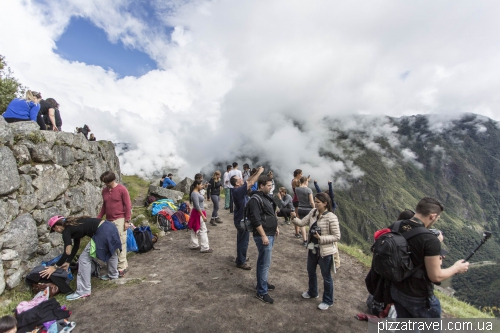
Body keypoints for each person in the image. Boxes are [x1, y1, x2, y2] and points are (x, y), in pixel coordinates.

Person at [389, 197, 469, 318]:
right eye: (437, 218)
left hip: (395, 289)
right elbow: (435, 276)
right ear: (432, 216)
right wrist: (457, 268)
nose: (436, 220)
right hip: (417, 296)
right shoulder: (430, 240)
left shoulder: (395, 225)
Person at [41, 215, 122, 300]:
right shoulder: (75, 224)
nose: (56, 232)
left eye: (54, 230)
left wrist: (55, 267)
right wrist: (68, 262)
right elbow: (76, 246)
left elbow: (67, 252)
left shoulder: (66, 231)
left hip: (102, 231)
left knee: (83, 259)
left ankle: (83, 290)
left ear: (56, 227)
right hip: (110, 226)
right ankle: (113, 275)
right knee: (111, 251)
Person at [291, 192, 341, 310]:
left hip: (326, 252)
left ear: (325, 203)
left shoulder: (331, 217)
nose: (315, 204)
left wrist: (321, 238)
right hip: (313, 248)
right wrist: (293, 218)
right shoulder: (313, 212)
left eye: (318, 202)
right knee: (311, 271)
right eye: (315, 201)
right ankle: (313, 292)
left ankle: (328, 301)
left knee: (326, 276)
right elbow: (302, 222)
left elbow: (337, 236)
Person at [247, 175, 279, 304]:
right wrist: (263, 235)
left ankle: (262, 283)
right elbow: (256, 219)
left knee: (264, 262)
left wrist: (276, 227)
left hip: (270, 232)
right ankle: (261, 292)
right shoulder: (255, 199)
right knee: (264, 263)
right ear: (261, 186)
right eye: (269, 185)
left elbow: (270, 213)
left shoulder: (265, 196)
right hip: (264, 235)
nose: (271, 188)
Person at [97, 171, 132, 278]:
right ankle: (115, 265)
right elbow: (104, 206)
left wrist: (127, 221)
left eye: (105, 181)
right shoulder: (104, 191)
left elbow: (128, 205)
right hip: (109, 220)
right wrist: (98, 218)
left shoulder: (122, 189)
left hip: (120, 219)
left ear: (111, 180)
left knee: (121, 242)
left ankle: (122, 267)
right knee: (111, 243)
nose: (104, 183)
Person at [230, 166, 264, 270]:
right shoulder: (237, 191)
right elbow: (251, 183)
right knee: (244, 242)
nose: (242, 179)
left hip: (240, 219)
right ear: (236, 183)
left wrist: (256, 172)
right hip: (241, 221)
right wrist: (260, 173)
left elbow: (248, 180)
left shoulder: (238, 189)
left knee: (241, 240)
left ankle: (240, 257)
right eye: (239, 179)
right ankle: (241, 262)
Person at [313, 180, 340, 268]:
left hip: (330, 225)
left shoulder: (332, 204)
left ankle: (336, 262)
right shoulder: (330, 205)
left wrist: (330, 185)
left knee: (333, 244)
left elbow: (330, 195)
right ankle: (329, 260)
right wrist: (315, 184)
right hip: (326, 225)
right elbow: (319, 192)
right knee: (327, 244)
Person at [188, 180, 212, 253]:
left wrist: (204, 187)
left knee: (194, 228)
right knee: (203, 230)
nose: (202, 186)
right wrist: (203, 216)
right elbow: (196, 206)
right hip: (198, 213)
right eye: (201, 185)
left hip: (197, 213)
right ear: (197, 185)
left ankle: (194, 245)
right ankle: (205, 247)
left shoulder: (196, 192)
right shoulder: (194, 194)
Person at [295, 176, 314, 246]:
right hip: (308, 209)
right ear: (306, 182)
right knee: (311, 225)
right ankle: (310, 241)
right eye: (308, 181)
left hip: (300, 208)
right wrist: (314, 208)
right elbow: (311, 201)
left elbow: (299, 184)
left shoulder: (297, 189)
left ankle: (305, 241)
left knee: (302, 225)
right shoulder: (309, 190)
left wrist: (306, 179)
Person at [291, 169, 306, 240]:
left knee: (298, 215)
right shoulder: (295, 181)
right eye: (301, 174)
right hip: (296, 199)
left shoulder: (295, 180)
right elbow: (300, 188)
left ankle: (298, 230)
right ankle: (297, 232)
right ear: (297, 174)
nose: (301, 175)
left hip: (297, 199)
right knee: (297, 216)